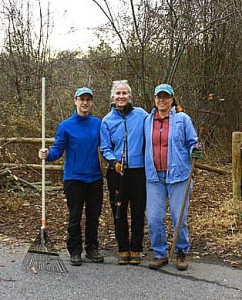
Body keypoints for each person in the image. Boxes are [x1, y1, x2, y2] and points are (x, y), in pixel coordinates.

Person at [38, 87, 104, 266]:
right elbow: (57, 150)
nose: (84, 103)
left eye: (88, 100)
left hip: (95, 178)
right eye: (81, 99)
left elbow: (106, 146)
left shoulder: (98, 123)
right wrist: (47, 154)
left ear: (91, 102)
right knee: (75, 215)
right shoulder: (65, 126)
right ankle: (75, 250)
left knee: (93, 216)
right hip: (74, 178)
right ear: (75, 101)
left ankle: (92, 248)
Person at [144, 83, 202, 271]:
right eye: (159, 97)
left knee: (179, 217)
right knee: (154, 218)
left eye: (166, 97)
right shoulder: (147, 120)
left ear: (172, 99)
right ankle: (160, 253)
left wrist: (195, 150)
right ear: (154, 99)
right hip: (154, 176)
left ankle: (181, 251)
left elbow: (193, 142)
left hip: (179, 175)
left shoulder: (183, 119)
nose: (162, 100)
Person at [100, 80, 148, 265]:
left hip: (138, 171)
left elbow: (158, 123)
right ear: (113, 97)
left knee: (137, 211)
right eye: (118, 94)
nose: (121, 97)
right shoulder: (107, 120)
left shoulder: (142, 115)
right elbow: (105, 147)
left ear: (129, 96)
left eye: (124, 94)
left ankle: (136, 248)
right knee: (118, 211)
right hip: (117, 173)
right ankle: (123, 248)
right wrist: (113, 161)